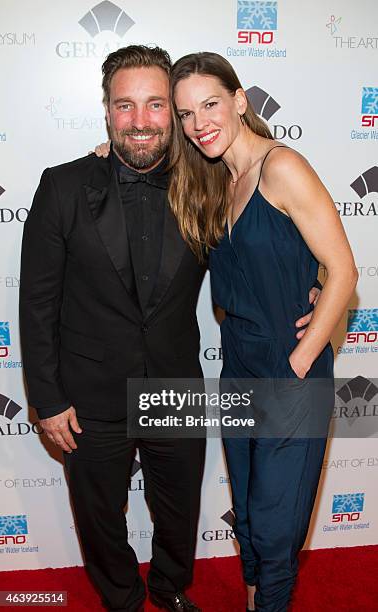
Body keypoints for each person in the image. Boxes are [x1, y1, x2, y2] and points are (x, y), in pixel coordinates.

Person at [21, 44, 319, 612]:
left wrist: (316, 284)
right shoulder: (61, 186)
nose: (140, 121)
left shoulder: (205, 186)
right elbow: (36, 300)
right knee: (100, 515)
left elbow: (261, 246)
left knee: (178, 509)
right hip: (89, 391)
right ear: (106, 110)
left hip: (173, 383)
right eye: (125, 105)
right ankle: (125, 600)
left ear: (174, 116)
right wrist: (47, 398)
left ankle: (167, 587)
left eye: (157, 105)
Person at [167, 52, 358, 612]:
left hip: (287, 367)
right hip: (238, 366)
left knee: (276, 525)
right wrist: (108, 151)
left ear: (240, 100)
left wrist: (298, 363)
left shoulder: (282, 167)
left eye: (210, 104)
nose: (199, 122)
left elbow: (344, 270)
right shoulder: (214, 183)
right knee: (249, 511)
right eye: (185, 113)